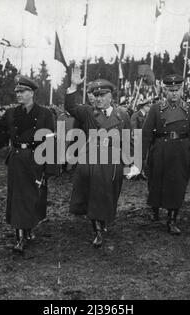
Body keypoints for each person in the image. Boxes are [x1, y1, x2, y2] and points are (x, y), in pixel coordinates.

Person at [64, 67, 132, 247]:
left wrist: (130, 164)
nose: (99, 99)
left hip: (113, 161)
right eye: (96, 95)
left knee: (110, 194)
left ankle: (103, 222)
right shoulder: (87, 112)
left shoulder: (122, 114)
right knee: (93, 194)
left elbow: (129, 140)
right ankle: (97, 230)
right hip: (92, 159)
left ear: (111, 97)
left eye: (103, 95)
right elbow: (70, 107)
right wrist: (73, 86)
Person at [142, 74, 190, 234]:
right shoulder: (156, 109)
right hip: (160, 149)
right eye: (170, 90)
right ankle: (155, 209)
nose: (174, 93)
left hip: (182, 151)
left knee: (178, 185)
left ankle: (172, 220)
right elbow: (146, 133)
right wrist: (140, 157)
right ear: (165, 91)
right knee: (156, 182)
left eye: (177, 90)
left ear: (182, 90)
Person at [4, 75, 56, 253]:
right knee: (18, 198)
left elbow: (50, 142)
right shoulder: (11, 113)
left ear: (32, 93)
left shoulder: (45, 114)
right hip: (17, 158)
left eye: (23, 91)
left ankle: (28, 228)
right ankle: (19, 237)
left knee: (33, 196)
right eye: (17, 91)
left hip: (36, 158)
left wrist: (49, 169)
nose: (18, 94)